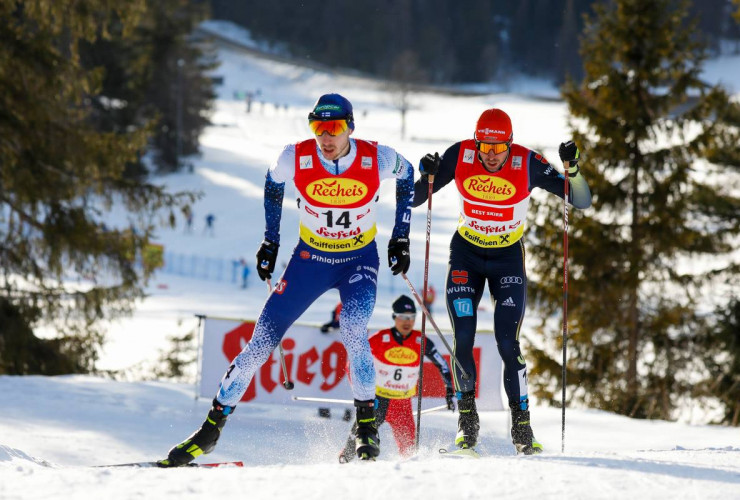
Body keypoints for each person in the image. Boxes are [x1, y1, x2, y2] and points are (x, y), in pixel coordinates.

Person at [160, 93, 414, 466]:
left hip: (358, 260)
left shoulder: (377, 157)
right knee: (259, 344)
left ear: (350, 128)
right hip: (309, 261)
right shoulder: (295, 156)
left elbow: (408, 175)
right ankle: (210, 430)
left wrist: (401, 236)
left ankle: (365, 428)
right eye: (318, 128)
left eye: (335, 128)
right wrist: (270, 240)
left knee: (354, 329)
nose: (326, 137)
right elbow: (272, 184)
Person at [414, 108, 592, 455]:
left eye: (499, 147)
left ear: (510, 143)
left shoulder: (526, 163)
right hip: (466, 255)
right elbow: (419, 197)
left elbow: (580, 199)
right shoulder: (461, 154)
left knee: (507, 343)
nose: (492, 155)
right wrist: (427, 174)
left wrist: (573, 169)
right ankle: (467, 426)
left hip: (507, 258)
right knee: (462, 338)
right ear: (476, 142)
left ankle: (522, 426)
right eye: (485, 146)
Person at [338, 295, 455, 462]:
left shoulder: (420, 340)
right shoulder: (380, 338)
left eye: (412, 317)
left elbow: (443, 364)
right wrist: (360, 390)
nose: (407, 322)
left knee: (410, 453)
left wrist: (449, 390)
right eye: (402, 317)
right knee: (359, 439)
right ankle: (344, 462)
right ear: (394, 317)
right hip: (378, 400)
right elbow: (354, 362)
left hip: (402, 404)